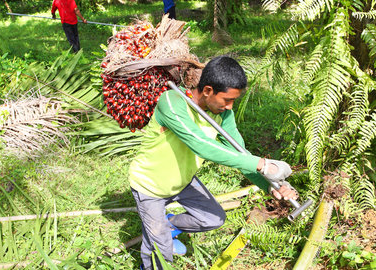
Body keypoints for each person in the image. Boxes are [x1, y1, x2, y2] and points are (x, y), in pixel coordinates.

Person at [128, 56, 298, 270]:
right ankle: (157, 244)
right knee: (160, 254)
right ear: (208, 90)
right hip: (150, 186)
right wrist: (263, 164)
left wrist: (269, 185)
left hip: (183, 181)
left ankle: (168, 224)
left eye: (234, 101)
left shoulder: (223, 115)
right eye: (227, 100)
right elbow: (200, 144)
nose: (230, 107)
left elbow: (239, 154)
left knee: (213, 218)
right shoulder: (172, 102)